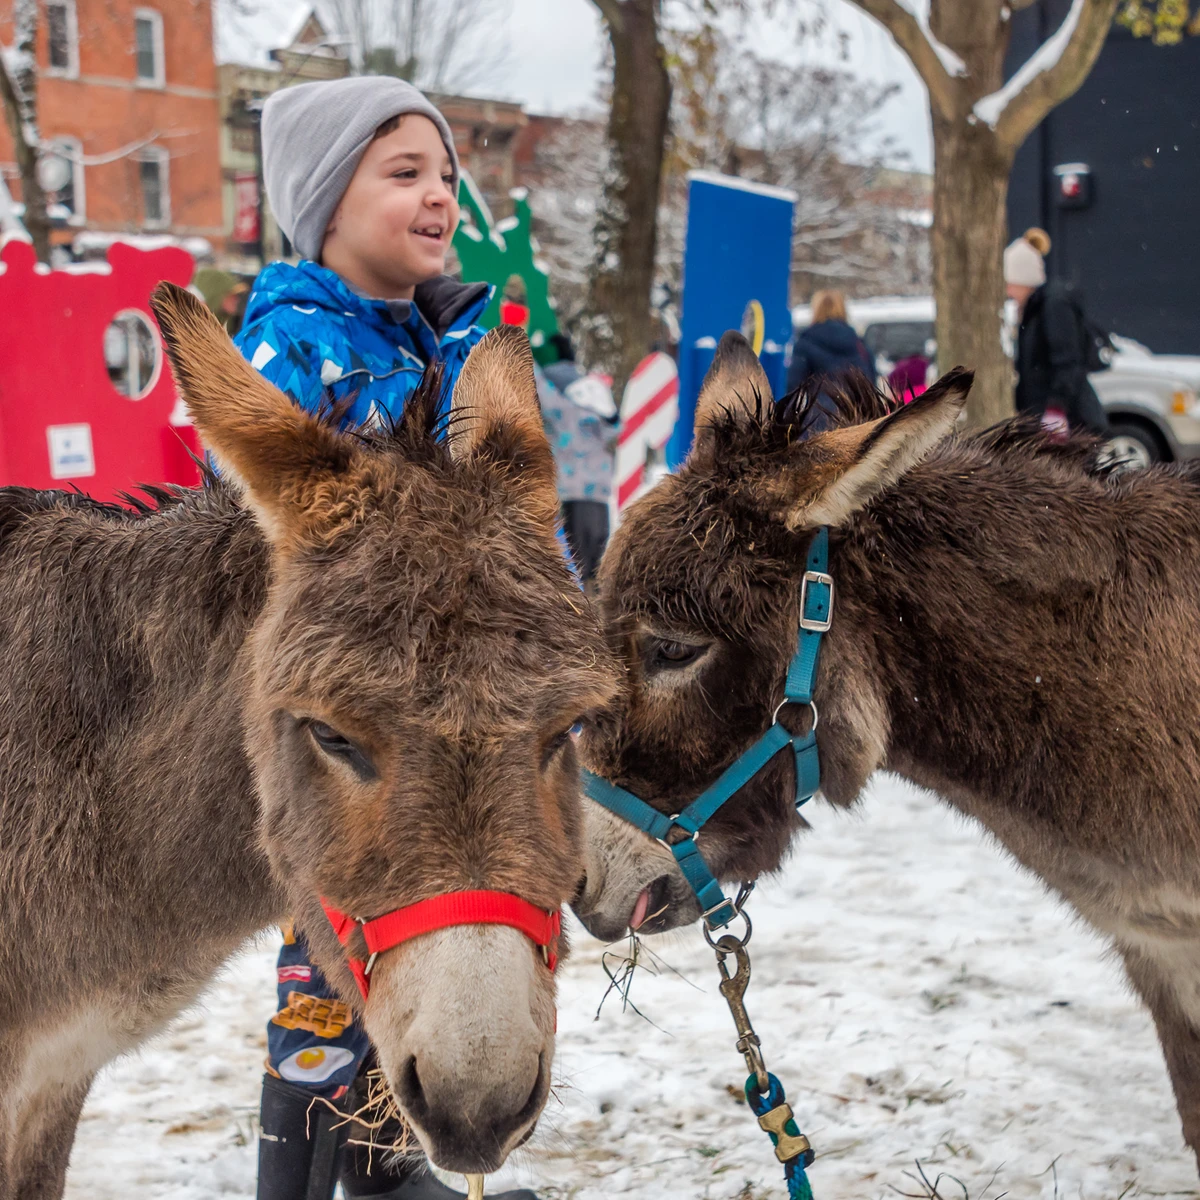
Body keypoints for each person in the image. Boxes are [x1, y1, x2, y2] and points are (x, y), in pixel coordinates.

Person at [234, 75, 536, 1200]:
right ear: (323, 203)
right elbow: (250, 532)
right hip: (345, 720)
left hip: (441, 711)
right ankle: (303, 1175)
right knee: (322, 952)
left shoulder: (451, 339)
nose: (438, 197)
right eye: (403, 173)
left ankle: (387, 1154)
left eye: (447, 177)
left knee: (412, 930)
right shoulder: (291, 344)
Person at [1005, 227, 1108, 436]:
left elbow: (1068, 361)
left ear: (1023, 279)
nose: (1008, 291)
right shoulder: (1033, 310)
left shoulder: (1054, 306)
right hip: (1047, 423)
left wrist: (1056, 408)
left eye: (1010, 284)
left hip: (1072, 424)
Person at [539, 332, 617, 591]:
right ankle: (596, 607)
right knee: (596, 562)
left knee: (574, 562)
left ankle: (581, 611)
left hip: (573, 491)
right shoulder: (596, 404)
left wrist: (529, 358)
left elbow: (540, 389)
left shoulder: (564, 408)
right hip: (599, 493)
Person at [785, 288, 875, 396]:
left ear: (816, 309)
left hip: (820, 410)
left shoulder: (805, 344)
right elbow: (871, 382)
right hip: (854, 409)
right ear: (843, 309)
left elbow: (793, 385)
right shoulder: (859, 345)